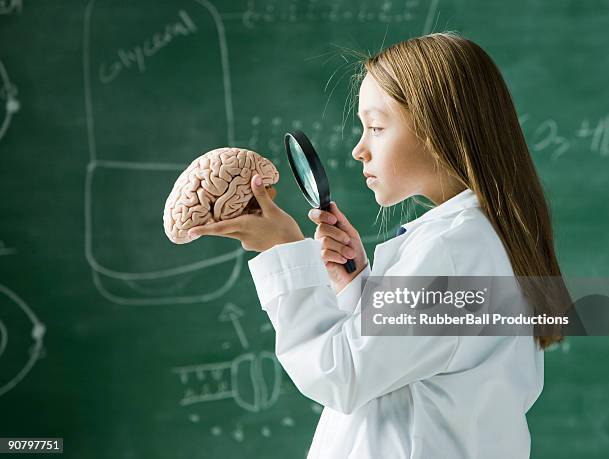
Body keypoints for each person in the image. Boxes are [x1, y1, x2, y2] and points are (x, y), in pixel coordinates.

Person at [188, 32, 568, 458]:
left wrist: (281, 248)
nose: (359, 149)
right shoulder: (475, 239)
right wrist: (360, 289)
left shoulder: (452, 250)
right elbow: (408, 367)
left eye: (377, 127)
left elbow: (342, 375)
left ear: (440, 129)